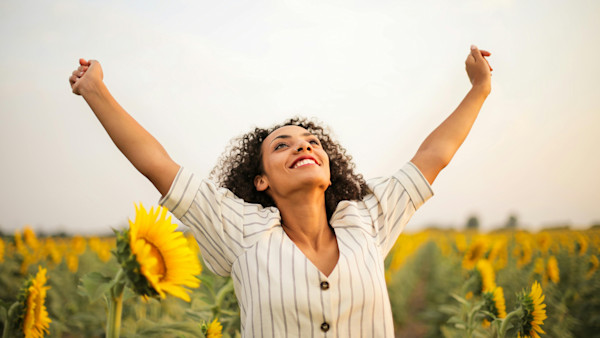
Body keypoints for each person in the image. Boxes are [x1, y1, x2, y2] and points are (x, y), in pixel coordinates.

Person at [69, 45, 492, 337]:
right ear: (261, 180)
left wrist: (479, 89)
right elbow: (157, 165)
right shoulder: (240, 231)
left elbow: (433, 155)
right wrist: (95, 89)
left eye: (311, 142)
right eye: (282, 145)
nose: (303, 146)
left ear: (329, 170)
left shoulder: (366, 219)